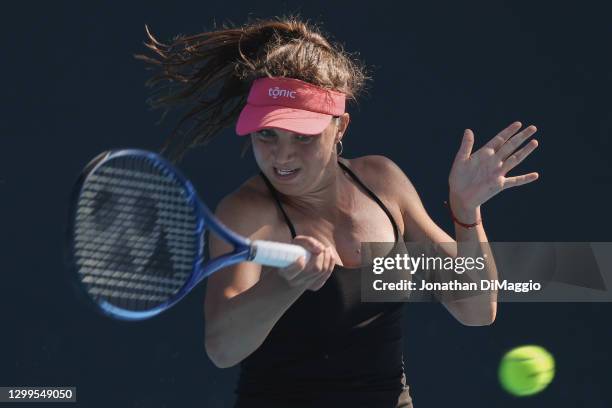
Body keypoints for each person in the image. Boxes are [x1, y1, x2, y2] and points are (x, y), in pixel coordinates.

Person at [137, 16, 539, 407]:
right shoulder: (244, 214)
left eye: (302, 136)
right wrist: (289, 284)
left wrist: (466, 212)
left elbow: (476, 308)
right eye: (267, 134)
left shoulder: (383, 182)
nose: (282, 155)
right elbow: (222, 348)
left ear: (340, 127)